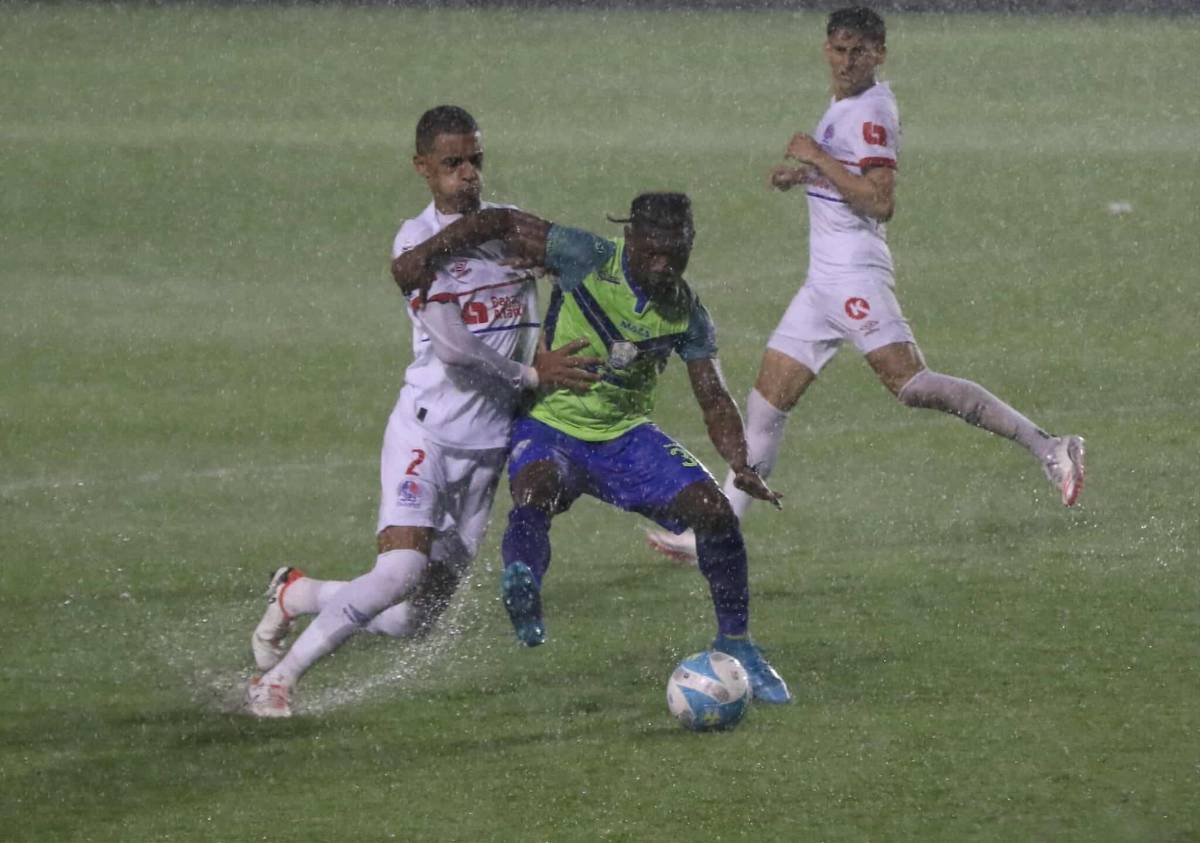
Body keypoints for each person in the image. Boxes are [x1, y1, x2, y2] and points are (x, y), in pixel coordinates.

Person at [646, 6, 1086, 565]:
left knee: (913, 386)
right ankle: (716, 533)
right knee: (765, 407)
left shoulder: (871, 112)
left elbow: (880, 201)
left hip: (854, 277)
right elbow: (849, 178)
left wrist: (817, 157)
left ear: (880, 52)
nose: (847, 61)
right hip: (821, 287)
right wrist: (805, 174)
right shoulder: (848, 106)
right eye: (838, 49)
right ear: (826, 49)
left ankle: (1049, 446)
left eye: (859, 51)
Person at [245, 105, 599, 717]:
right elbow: (456, 347)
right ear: (423, 168)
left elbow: (585, 267)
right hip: (426, 435)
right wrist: (529, 375)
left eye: (475, 161)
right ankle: (278, 682)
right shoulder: (418, 243)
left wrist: (556, 276)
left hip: (486, 453)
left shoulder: (508, 234)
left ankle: (299, 593)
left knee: (412, 620)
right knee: (400, 572)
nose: (467, 175)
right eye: (452, 163)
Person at [404, 192, 793, 704]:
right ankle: (522, 583)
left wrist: (739, 463)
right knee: (535, 492)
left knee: (714, 511)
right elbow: (500, 221)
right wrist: (422, 255)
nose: (664, 264)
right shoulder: (584, 255)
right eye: (653, 250)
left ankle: (738, 645)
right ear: (630, 237)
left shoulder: (686, 312)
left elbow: (713, 395)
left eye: (677, 253)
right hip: (549, 424)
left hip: (624, 438)